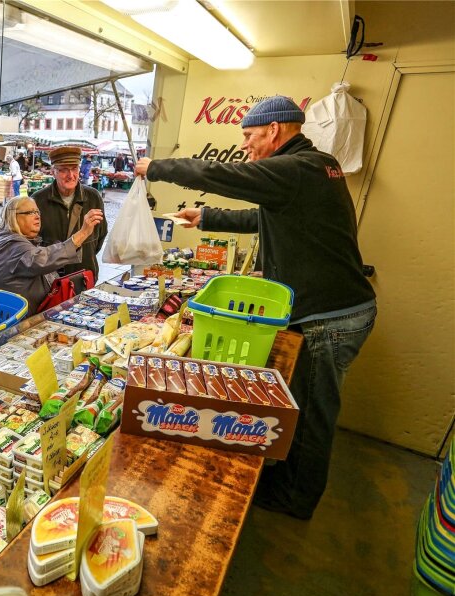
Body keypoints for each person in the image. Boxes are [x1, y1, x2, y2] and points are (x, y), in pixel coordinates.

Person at [135, 95, 377, 520]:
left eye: (249, 136)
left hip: (330, 319)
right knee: (302, 405)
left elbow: (220, 172)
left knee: (313, 414)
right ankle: (288, 483)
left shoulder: (294, 168)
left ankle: (296, 500)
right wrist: (206, 216)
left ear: (274, 130)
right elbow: (265, 219)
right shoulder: (313, 166)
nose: (245, 145)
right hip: (335, 310)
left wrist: (156, 168)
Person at [0, 195, 104, 314]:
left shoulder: (16, 240)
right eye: (30, 212)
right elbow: (40, 260)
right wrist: (82, 234)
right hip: (7, 319)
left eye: (37, 212)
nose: (37, 216)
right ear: (13, 216)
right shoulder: (9, 244)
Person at [32, 146, 108, 280]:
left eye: (74, 169)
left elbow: (101, 235)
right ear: (53, 172)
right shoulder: (38, 200)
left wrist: (86, 255)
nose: (71, 175)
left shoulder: (93, 197)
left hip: (84, 275)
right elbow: (33, 244)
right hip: (50, 280)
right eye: (63, 170)